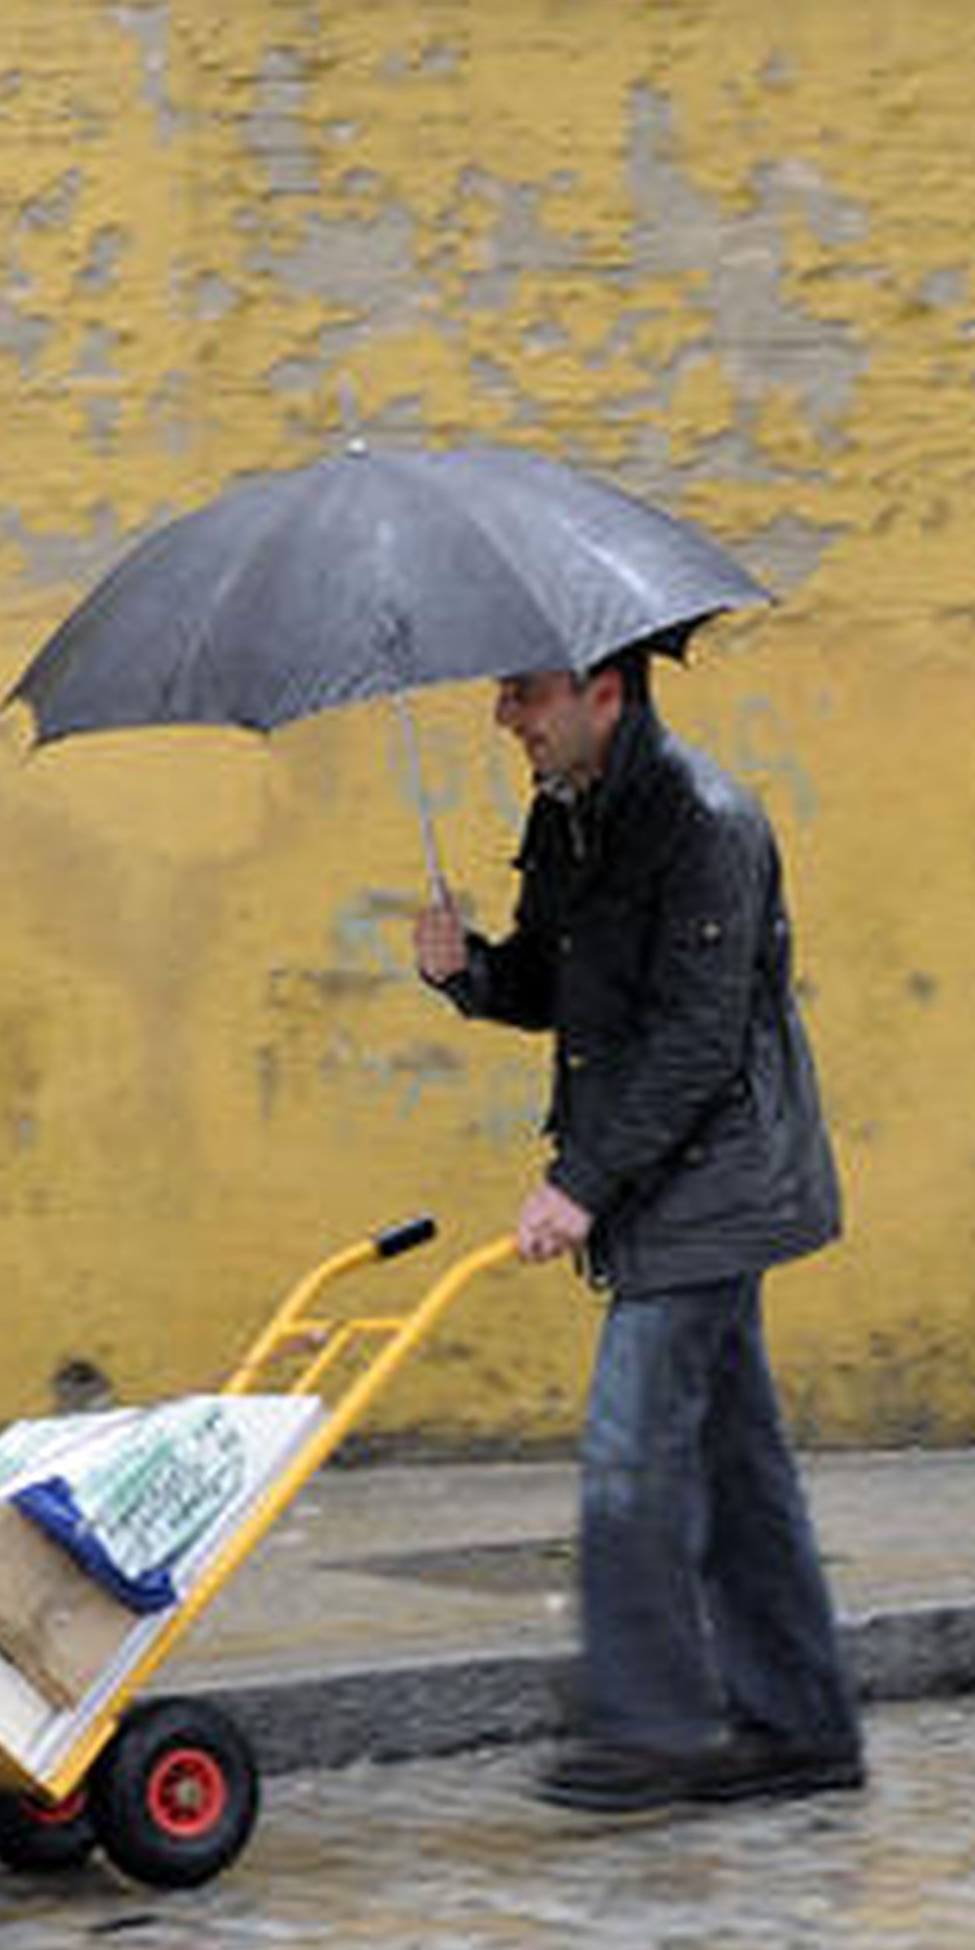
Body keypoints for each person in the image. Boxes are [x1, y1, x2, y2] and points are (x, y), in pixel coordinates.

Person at [413, 645, 864, 1817]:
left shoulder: (706, 820)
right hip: (658, 1178)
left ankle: (646, 1727)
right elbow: (562, 986)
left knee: (629, 1444)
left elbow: (699, 1044)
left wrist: (581, 1182)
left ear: (603, 689)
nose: (502, 712)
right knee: (735, 1461)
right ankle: (801, 1723)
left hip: (716, 1181)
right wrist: (468, 973)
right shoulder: (569, 814)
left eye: (524, 690)